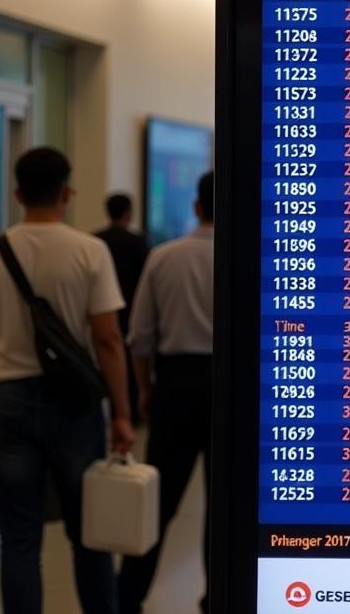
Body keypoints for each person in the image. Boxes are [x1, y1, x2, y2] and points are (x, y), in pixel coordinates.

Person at [0, 147, 134, 614]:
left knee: (19, 537)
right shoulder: (91, 250)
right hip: (74, 403)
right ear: (66, 192)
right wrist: (124, 415)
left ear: (17, 194)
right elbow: (107, 339)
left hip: (6, 397)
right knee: (87, 532)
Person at [118, 171, 214, 614]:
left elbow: (139, 337)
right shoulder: (257, 254)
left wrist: (144, 389)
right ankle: (218, 596)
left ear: (197, 207)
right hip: (231, 391)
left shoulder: (163, 257)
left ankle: (128, 596)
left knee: (160, 500)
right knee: (226, 502)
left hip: (175, 384)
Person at [95, 193, 149, 422]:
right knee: (128, 357)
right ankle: (131, 412)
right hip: (131, 309)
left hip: (101, 310)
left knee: (103, 358)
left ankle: (109, 408)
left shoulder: (97, 241)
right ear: (129, 212)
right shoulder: (137, 242)